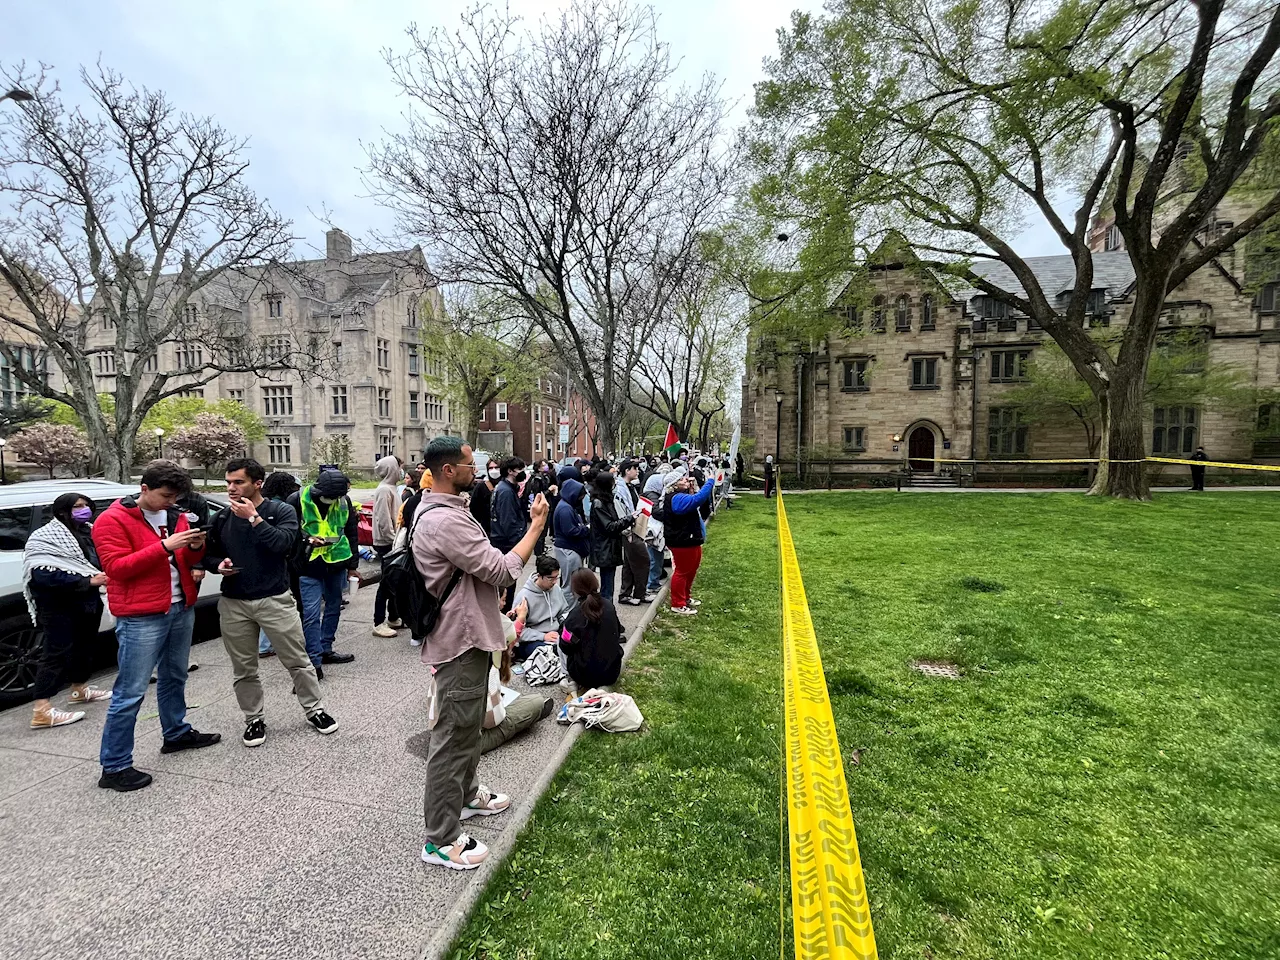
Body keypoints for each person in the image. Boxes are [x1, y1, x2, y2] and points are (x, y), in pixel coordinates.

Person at [413, 436, 549, 871]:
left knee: (468, 725)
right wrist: (534, 529)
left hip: (470, 633)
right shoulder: (444, 521)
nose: (480, 469)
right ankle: (440, 838)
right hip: (461, 640)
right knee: (452, 739)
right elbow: (499, 569)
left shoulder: (446, 508)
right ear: (449, 470)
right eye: (472, 464)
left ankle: (468, 797)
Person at [94, 461, 221, 792]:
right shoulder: (112, 520)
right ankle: (115, 765)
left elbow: (188, 560)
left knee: (175, 675)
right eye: (165, 495)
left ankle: (175, 732)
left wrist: (194, 547)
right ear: (144, 489)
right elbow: (117, 568)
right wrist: (165, 546)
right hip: (141, 614)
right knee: (131, 691)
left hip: (180, 606)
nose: (170, 502)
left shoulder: (174, 515)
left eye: (176, 497)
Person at [204, 458, 337, 747]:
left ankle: (315, 710)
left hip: (275, 599)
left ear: (257, 483)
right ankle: (253, 719)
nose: (231, 488)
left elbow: (284, 545)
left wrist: (254, 518)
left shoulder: (280, 511)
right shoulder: (222, 518)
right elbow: (208, 555)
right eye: (228, 482)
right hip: (234, 602)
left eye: (238, 482)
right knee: (244, 668)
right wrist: (219, 565)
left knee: (298, 662)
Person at [24, 492, 110, 729]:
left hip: (88, 602)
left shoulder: (88, 531)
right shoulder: (44, 537)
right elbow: (41, 575)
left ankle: (79, 689)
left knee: (84, 647)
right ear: (62, 511)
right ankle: (41, 710)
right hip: (58, 605)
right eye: (77, 507)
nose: (84, 510)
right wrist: (87, 581)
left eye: (86, 505)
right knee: (55, 654)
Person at [287, 469, 359, 670]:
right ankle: (314, 661)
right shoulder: (296, 500)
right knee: (310, 613)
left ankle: (326, 648)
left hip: (336, 563)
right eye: (329, 496)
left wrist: (353, 566)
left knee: (334, 607)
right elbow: (287, 534)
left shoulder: (343, 501)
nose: (333, 500)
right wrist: (305, 541)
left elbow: (351, 532)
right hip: (308, 565)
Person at [481, 600, 556, 753]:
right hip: (471, 740)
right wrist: (520, 619)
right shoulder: (490, 667)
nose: (503, 603)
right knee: (535, 702)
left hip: (444, 732)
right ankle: (535, 710)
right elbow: (494, 719)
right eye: (502, 599)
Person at [256, 471, 302, 658]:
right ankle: (268, 645)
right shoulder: (283, 508)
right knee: (277, 605)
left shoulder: (261, 506)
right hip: (279, 561)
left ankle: (263, 644)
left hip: (259, 561)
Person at [559, 569, 624, 691]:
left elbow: (565, 646)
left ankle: (569, 679)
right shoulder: (609, 607)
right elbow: (618, 632)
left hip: (584, 676)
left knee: (561, 637)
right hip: (612, 673)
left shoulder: (574, 616)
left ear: (575, 589)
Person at [664, 468, 715, 616]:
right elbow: (697, 500)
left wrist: (691, 488)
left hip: (690, 539)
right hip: (682, 540)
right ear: (674, 484)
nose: (686, 479)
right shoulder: (676, 498)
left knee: (691, 569)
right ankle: (678, 603)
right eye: (682, 479)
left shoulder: (680, 495)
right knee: (682, 571)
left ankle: (685, 597)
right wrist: (710, 481)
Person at [511, 554, 570, 661]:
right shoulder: (524, 596)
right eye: (550, 578)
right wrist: (543, 636)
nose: (555, 582)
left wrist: (566, 626)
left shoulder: (556, 589)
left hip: (555, 635)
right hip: (533, 640)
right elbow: (517, 630)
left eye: (557, 577)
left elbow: (564, 612)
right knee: (547, 654)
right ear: (539, 575)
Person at [588, 469, 634, 604]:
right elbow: (609, 527)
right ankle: (606, 617)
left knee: (609, 584)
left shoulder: (606, 500)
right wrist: (629, 519)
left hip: (609, 547)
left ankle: (607, 615)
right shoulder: (599, 503)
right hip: (605, 548)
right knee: (607, 588)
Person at [489, 457, 529, 611]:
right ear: (510, 471)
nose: (523, 473)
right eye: (520, 470)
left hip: (502, 542)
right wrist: (520, 545)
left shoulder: (504, 488)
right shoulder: (505, 492)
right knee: (507, 588)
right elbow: (508, 522)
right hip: (506, 545)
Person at [372, 454, 405, 638]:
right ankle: (378, 622)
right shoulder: (384, 490)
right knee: (385, 583)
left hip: (391, 542)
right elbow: (384, 520)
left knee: (394, 582)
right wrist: (394, 541)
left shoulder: (391, 488)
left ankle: (393, 616)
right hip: (387, 544)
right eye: (398, 466)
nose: (401, 470)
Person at [615, 459, 650, 605]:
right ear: (627, 470)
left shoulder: (630, 486)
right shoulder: (620, 489)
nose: (637, 471)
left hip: (634, 527)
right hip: (629, 530)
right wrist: (627, 531)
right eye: (634, 468)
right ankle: (639, 593)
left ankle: (626, 594)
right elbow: (620, 510)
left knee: (629, 563)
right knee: (643, 560)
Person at [552, 476, 590, 608]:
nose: (580, 499)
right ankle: (568, 613)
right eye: (580, 496)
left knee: (571, 582)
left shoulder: (566, 506)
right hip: (569, 549)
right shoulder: (565, 509)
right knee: (571, 585)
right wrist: (586, 529)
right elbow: (571, 531)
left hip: (569, 549)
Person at [641, 471, 667, 595]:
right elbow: (657, 512)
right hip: (653, 531)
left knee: (656, 557)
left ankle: (653, 582)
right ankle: (651, 584)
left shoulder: (652, 493)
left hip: (652, 530)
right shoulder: (652, 495)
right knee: (654, 558)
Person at [470, 458, 500, 535]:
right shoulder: (481, 487)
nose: (494, 470)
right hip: (487, 530)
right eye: (491, 468)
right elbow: (474, 510)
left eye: (496, 467)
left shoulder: (505, 486)